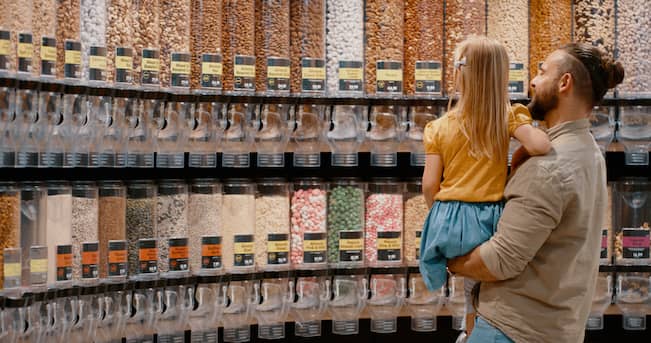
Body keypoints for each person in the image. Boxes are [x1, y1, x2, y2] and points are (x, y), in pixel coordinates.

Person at [447, 42, 625, 343]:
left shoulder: (549, 167)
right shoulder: (589, 151)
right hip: (556, 329)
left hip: (511, 331)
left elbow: (500, 259)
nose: (532, 80)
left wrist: (443, 257)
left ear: (564, 82)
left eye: (542, 72)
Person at [418, 35, 551, 338]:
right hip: (491, 220)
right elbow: (540, 145)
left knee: (465, 280)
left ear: (458, 73)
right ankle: (473, 331)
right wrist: (521, 151)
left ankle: (467, 328)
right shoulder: (506, 117)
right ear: (501, 76)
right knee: (483, 286)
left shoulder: (438, 128)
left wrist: (439, 216)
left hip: (449, 219)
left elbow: (429, 184)